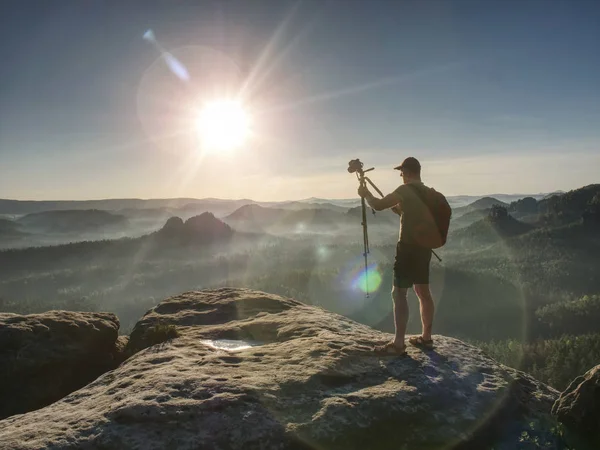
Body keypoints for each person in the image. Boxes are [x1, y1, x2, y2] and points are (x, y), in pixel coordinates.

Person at [357, 156, 435, 355]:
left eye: (402, 172)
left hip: (407, 248)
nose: (401, 175)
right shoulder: (426, 192)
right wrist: (399, 210)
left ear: (407, 173)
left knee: (398, 293)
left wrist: (366, 194)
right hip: (424, 248)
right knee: (423, 292)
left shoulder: (405, 190)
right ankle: (426, 338)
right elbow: (410, 213)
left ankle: (399, 344)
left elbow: (377, 205)